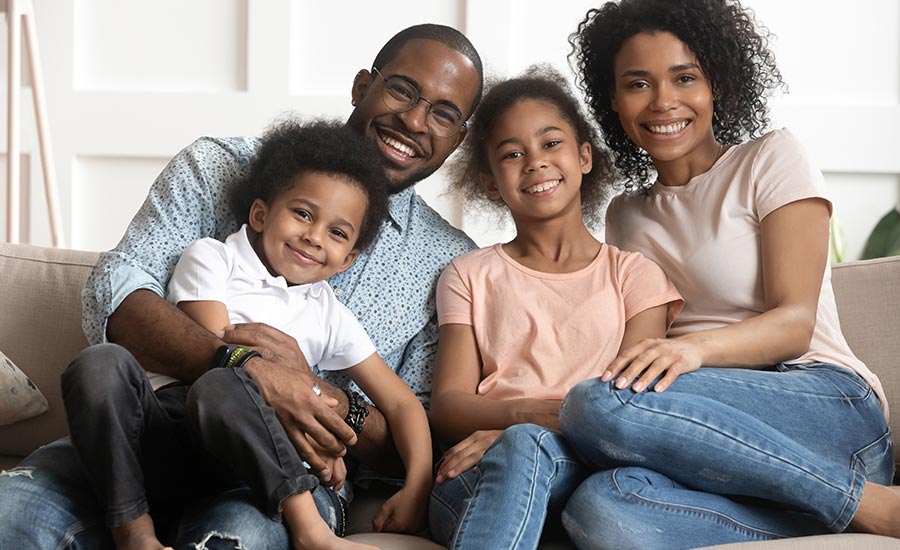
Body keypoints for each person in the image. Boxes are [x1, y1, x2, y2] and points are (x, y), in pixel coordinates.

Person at [0, 24, 483, 549]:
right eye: (402, 90)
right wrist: (249, 370)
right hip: (142, 438)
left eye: (442, 112)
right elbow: (115, 297)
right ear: (362, 86)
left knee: (235, 541)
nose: (413, 120)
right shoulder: (216, 167)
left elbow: (414, 427)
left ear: (457, 140)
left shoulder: (447, 261)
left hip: (287, 480)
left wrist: (318, 394)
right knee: (13, 516)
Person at [558, 1, 900, 548]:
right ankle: (829, 506)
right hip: (712, 432)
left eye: (684, 77)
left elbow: (793, 322)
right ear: (613, 101)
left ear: (718, 81)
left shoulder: (771, 158)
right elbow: (633, 349)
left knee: (598, 403)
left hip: (825, 402)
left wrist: (690, 351)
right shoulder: (625, 214)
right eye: (638, 84)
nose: (664, 101)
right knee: (601, 508)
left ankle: (861, 499)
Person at [62, 121, 434, 550]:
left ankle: (311, 531)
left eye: (336, 232)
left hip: (248, 467)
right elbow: (217, 353)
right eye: (303, 213)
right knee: (110, 365)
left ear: (346, 260)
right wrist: (306, 410)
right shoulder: (213, 259)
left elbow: (402, 402)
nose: (314, 237)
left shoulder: (328, 312)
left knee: (232, 383)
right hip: (167, 432)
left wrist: (419, 483)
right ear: (261, 214)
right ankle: (136, 536)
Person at [426, 67, 683, 550]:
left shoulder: (635, 277)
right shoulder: (467, 275)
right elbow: (448, 406)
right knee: (520, 448)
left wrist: (520, 429)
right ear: (490, 183)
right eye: (511, 154)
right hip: (476, 474)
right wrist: (519, 424)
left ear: (584, 156)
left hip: (582, 470)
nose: (534, 163)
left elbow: (627, 408)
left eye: (550, 144)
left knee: (527, 446)